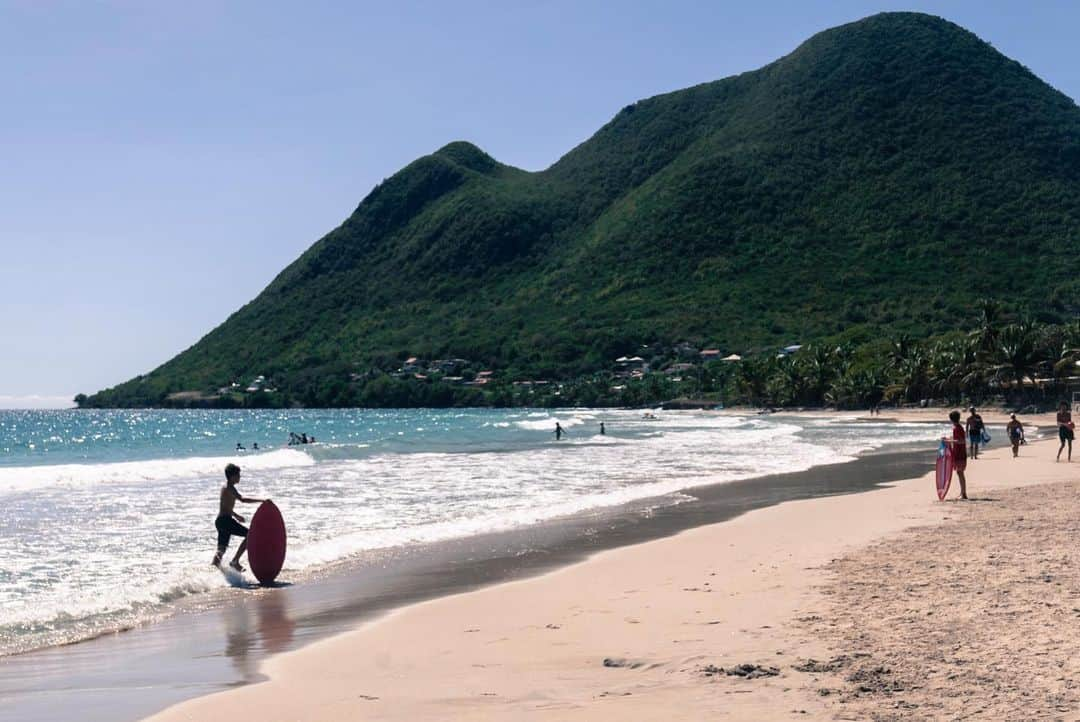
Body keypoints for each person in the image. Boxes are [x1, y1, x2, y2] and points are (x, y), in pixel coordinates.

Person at [212, 463, 267, 572]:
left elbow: (225, 506)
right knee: (250, 535)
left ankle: (213, 574)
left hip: (221, 521)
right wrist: (261, 500)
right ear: (232, 476)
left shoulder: (225, 488)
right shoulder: (230, 488)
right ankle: (235, 561)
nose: (240, 477)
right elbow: (242, 499)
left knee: (221, 550)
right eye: (238, 475)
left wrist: (236, 515)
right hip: (226, 521)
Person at [946, 410, 969, 500]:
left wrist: (950, 441)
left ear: (951, 419)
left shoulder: (957, 428)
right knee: (960, 473)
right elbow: (958, 439)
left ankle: (963, 494)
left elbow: (962, 441)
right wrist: (949, 439)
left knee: (960, 473)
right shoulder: (958, 427)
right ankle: (962, 493)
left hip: (959, 453)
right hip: (959, 453)